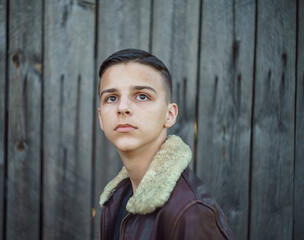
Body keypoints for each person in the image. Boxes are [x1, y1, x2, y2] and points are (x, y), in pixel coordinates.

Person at [97, 48, 234, 239]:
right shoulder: (117, 196)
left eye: (142, 96)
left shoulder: (191, 211)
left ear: (170, 115)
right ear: (101, 118)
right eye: (111, 98)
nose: (122, 108)